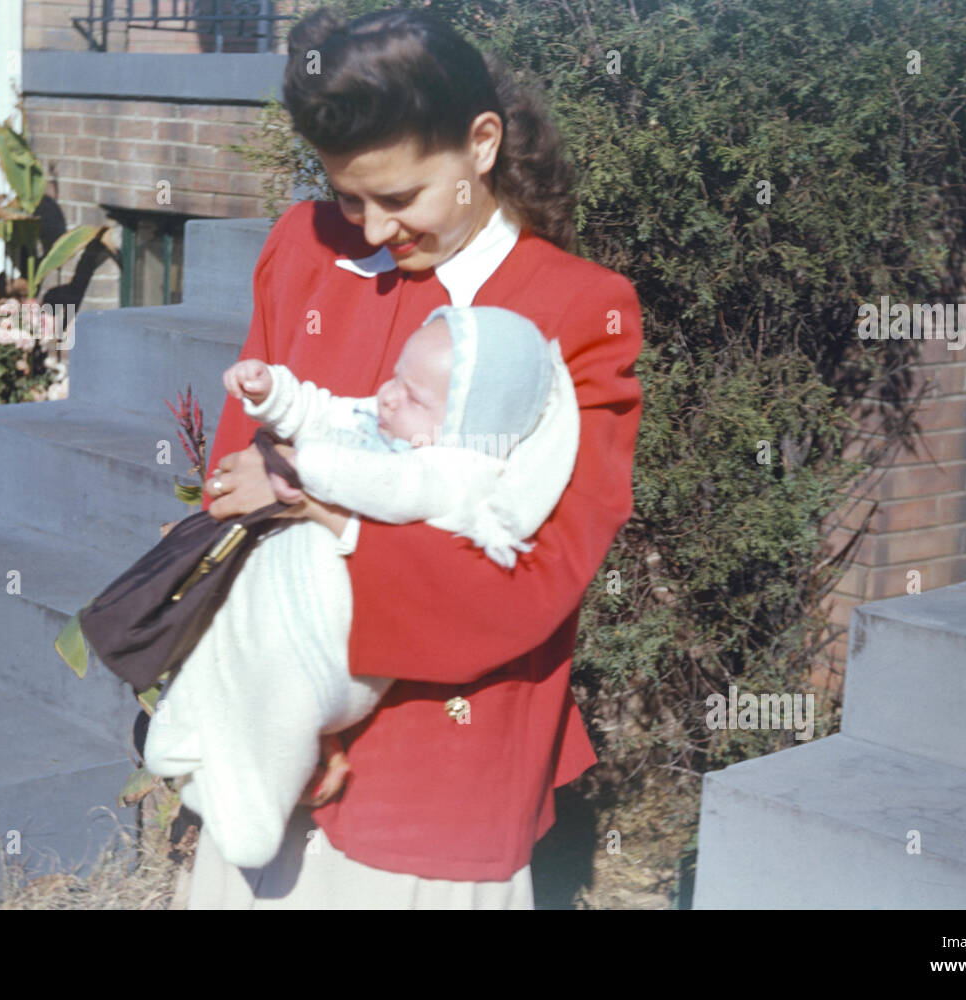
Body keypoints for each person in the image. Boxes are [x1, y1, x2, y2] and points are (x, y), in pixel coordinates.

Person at [191, 5, 642, 908]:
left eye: (399, 199)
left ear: (482, 145)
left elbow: (531, 579)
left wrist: (322, 506)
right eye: (349, 195)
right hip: (265, 737)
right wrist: (264, 705)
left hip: (439, 771)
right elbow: (237, 484)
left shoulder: (578, 311)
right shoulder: (302, 251)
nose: (367, 228)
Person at [144, 304, 580, 871]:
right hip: (275, 602)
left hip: (326, 654)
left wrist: (309, 467)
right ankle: (177, 737)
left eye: (414, 396)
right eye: (396, 377)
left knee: (279, 709)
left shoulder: (458, 471)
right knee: (218, 650)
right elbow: (324, 411)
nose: (388, 397)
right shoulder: (383, 424)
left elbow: (393, 486)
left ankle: (252, 818)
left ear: (466, 426)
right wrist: (274, 393)